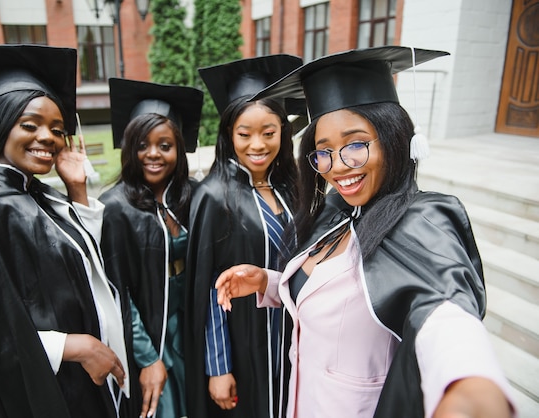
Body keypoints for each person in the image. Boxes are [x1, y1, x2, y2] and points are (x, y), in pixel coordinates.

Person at [214, 46, 517, 418]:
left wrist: (470, 388)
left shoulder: (419, 220)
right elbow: (344, 293)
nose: (338, 166)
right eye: (323, 151)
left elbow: (445, 313)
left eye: (355, 144)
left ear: (393, 136)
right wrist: (269, 282)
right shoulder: (338, 211)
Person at [0, 45, 130, 418]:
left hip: (77, 381)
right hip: (38, 391)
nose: (48, 138)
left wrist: (77, 191)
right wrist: (74, 346)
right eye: (30, 125)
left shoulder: (33, 194)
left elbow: (87, 267)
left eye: (57, 129)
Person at [185, 54, 305, 418]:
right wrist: (218, 366)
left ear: (283, 132)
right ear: (228, 134)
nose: (257, 145)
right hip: (243, 340)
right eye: (244, 134)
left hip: (295, 340)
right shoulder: (213, 195)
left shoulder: (293, 186)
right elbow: (208, 286)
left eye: (269, 133)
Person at [99, 78, 204, 418]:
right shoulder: (114, 207)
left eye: (165, 145)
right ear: (130, 147)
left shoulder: (193, 196)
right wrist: (147, 358)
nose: (154, 154)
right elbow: (117, 291)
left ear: (179, 148)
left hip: (190, 327)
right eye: (143, 144)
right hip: (150, 330)